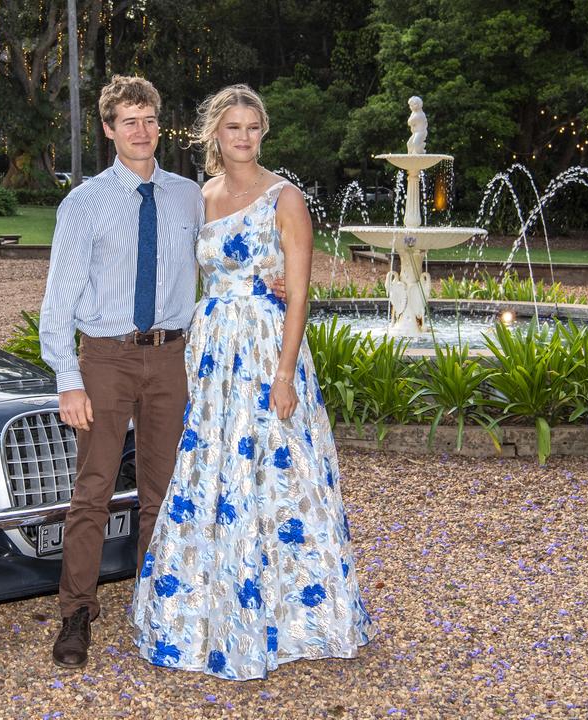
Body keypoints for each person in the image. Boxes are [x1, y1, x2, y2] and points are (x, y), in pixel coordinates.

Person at [130, 84, 371, 680]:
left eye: (253, 127)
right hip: (212, 352)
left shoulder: (285, 198)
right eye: (233, 127)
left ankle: (294, 617)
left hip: (265, 350)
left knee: (280, 473)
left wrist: (285, 372)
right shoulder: (201, 197)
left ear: (263, 132)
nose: (243, 137)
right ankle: (209, 614)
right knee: (209, 471)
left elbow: (300, 296)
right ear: (215, 133)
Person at [40, 75, 202, 669]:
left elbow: (226, 255)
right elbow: (59, 296)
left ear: (161, 124)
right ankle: (76, 611)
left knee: (164, 492)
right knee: (94, 489)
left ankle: (156, 603)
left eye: (150, 118)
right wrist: (67, 377)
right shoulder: (83, 203)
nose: (142, 130)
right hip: (104, 358)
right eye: (129, 120)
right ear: (108, 129)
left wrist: (273, 277)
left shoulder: (190, 196)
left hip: (169, 357)